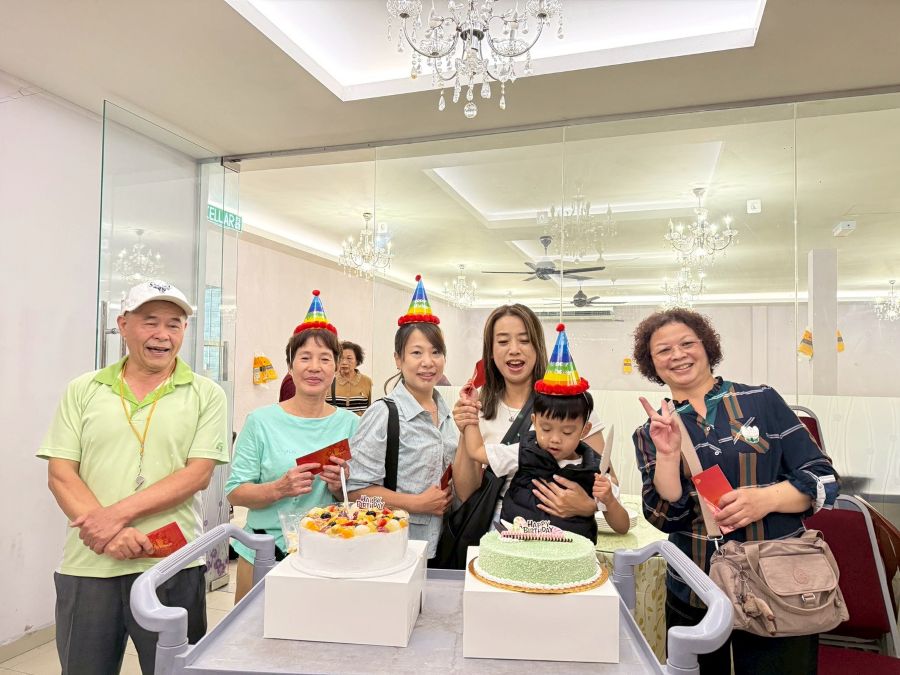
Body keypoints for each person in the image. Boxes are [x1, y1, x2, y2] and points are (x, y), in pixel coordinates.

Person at [37, 280, 230, 675]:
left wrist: (112, 518)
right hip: (89, 563)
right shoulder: (83, 389)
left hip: (173, 563)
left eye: (174, 324)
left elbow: (197, 474)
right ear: (123, 325)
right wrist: (110, 534)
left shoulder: (206, 394)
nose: (163, 334)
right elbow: (60, 474)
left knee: (174, 670)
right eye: (150, 322)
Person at [632, 308, 839, 675]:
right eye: (663, 350)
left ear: (706, 347)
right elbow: (665, 516)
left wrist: (765, 500)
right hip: (696, 587)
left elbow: (824, 478)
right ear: (652, 363)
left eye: (687, 343)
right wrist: (667, 454)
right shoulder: (653, 429)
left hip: (779, 584)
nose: (677, 355)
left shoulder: (762, 400)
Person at [226, 290, 354, 602]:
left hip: (329, 551)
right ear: (290, 365)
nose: (315, 367)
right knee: (256, 627)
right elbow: (235, 492)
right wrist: (278, 488)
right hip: (263, 551)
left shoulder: (351, 424)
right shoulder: (261, 422)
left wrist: (340, 487)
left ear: (336, 367)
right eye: (305, 358)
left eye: (325, 359)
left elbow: (364, 500)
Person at [451, 303, 620, 523]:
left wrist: (588, 506)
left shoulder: (569, 407)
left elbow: (608, 481)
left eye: (524, 340)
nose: (514, 349)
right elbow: (466, 493)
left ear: (538, 346)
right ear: (490, 351)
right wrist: (467, 424)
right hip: (500, 527)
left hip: (564, 529)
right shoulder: (479, 407)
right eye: (503, 341)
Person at [347, 276, 457, 560]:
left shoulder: (448, 414)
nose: (428, 362)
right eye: (416, 353)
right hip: (395, 547)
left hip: (444, 544)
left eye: (436, 352)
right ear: (398, 359)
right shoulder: (383, 414)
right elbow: (356, 494)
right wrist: (415, 503)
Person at [333, 340, 373, 414]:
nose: (344, 362)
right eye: (341, 358)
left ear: (357, 361)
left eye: (349, 358)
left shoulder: (367, 381)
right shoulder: (329, 380)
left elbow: (370, 410)